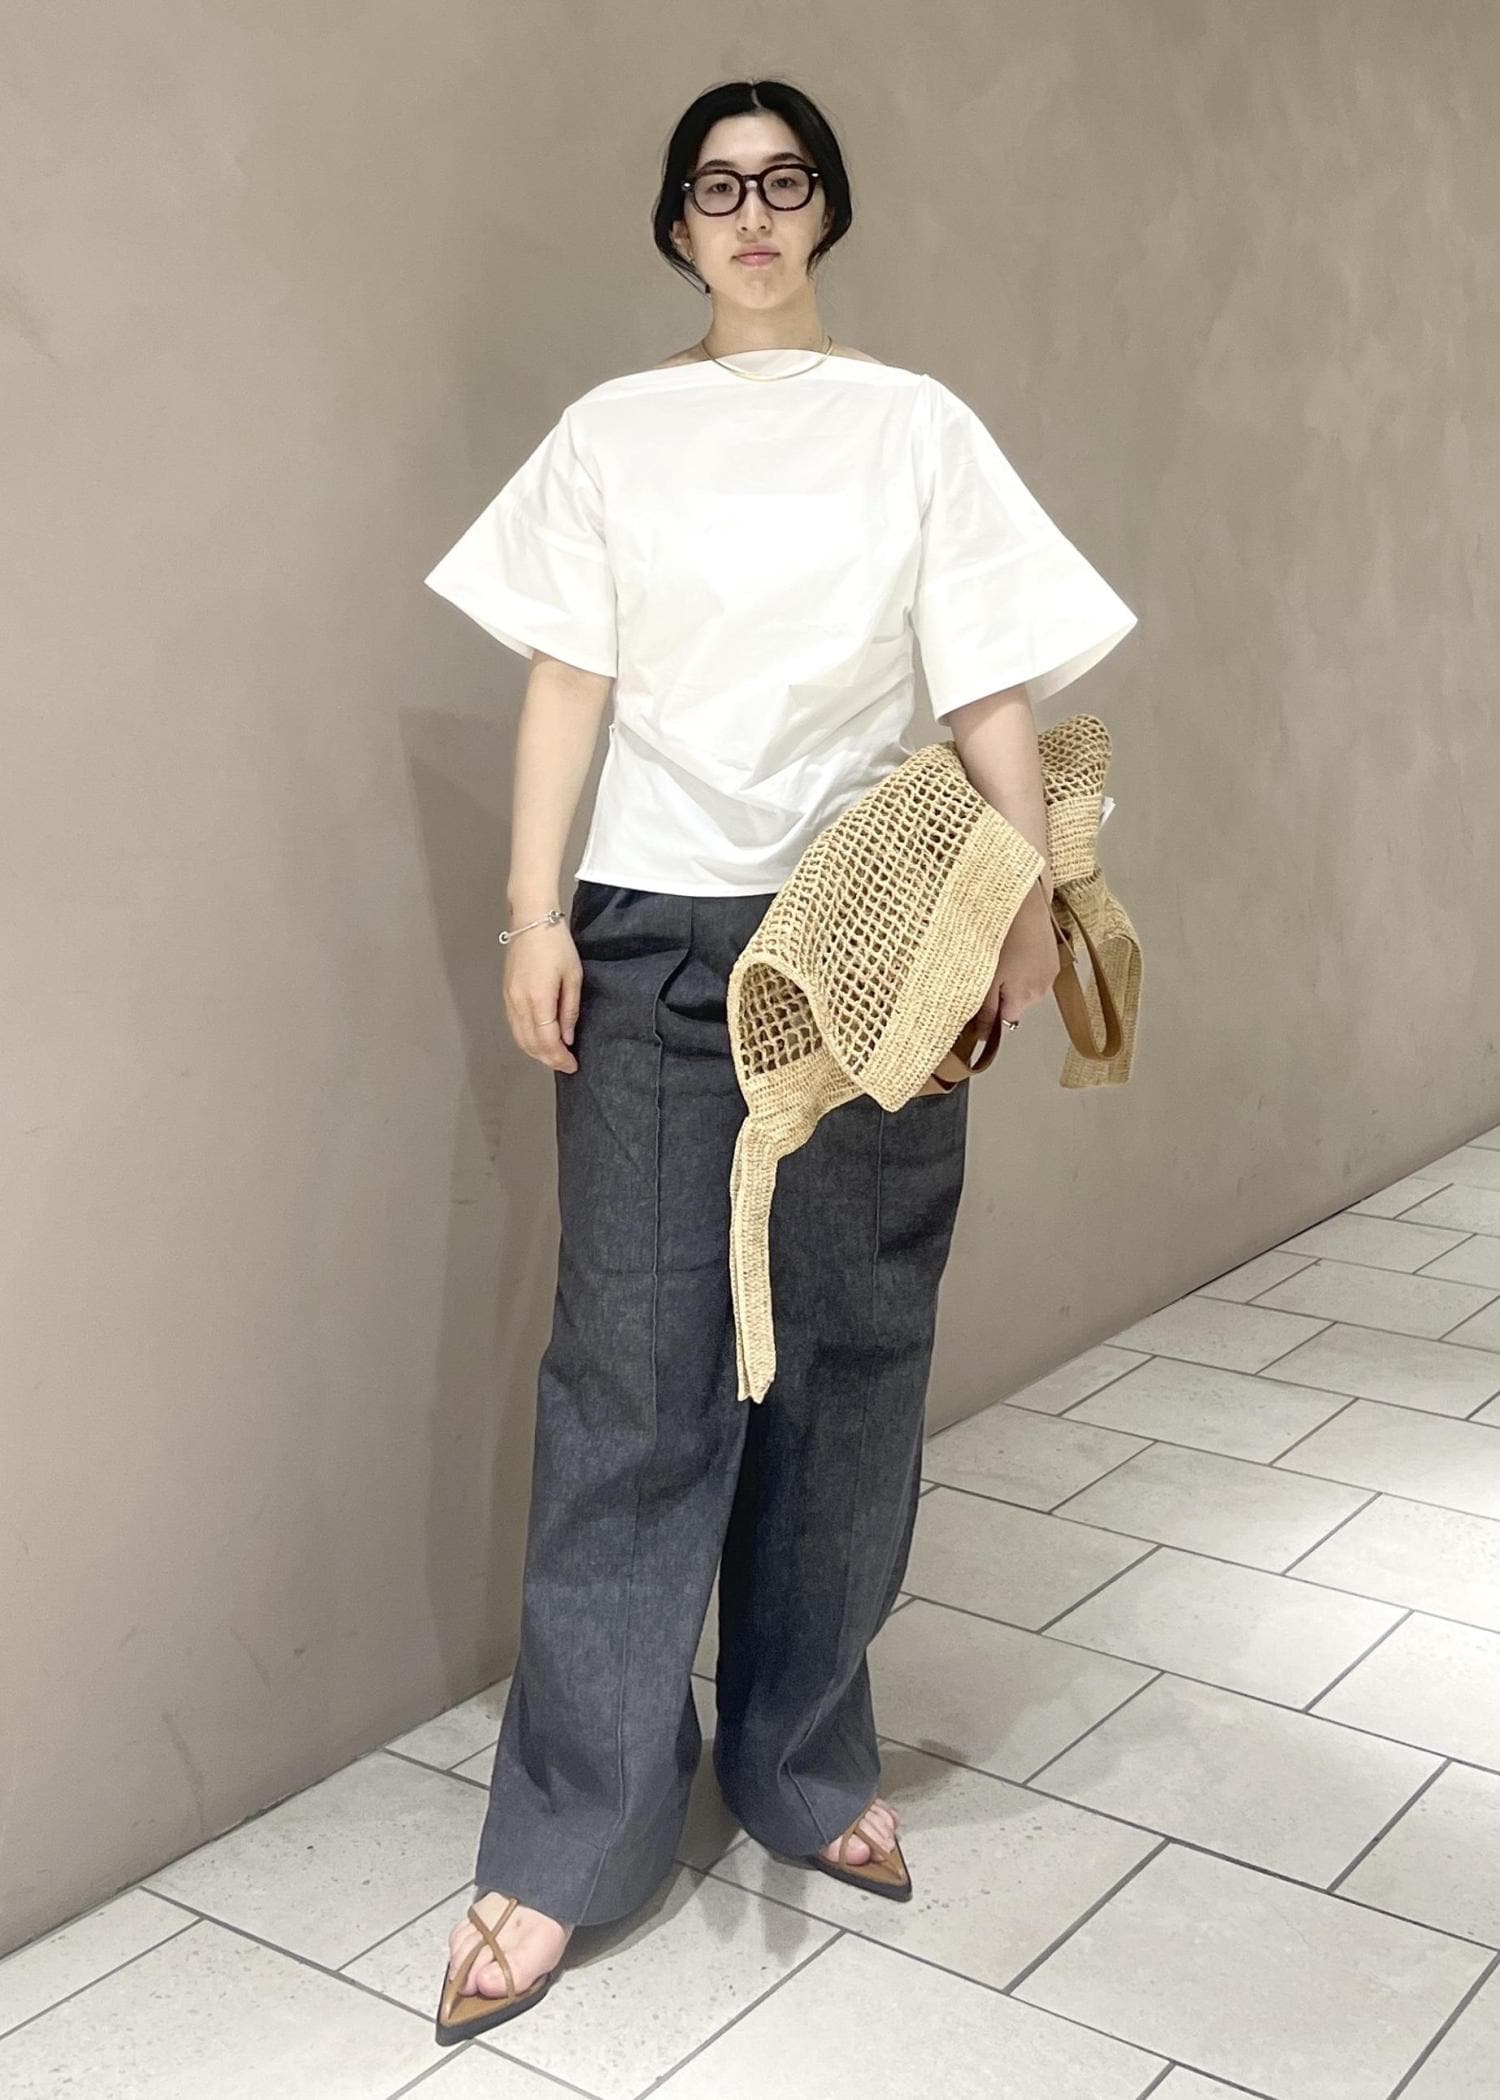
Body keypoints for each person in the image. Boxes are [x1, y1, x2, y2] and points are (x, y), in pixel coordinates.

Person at [424, 77, 1137, 2039]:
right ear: (676, 224)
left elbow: (985, 676)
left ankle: (805, 1761)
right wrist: (535, 912)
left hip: (876, 937)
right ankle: (574, 1834)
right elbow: (567, 678)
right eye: (717, 187)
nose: (752, 214)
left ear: (826, 211)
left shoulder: (915, 426)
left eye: (786, 182)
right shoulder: (611, 433)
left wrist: (1017, 900)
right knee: (634, 1377)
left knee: (851, 1356)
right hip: (653, 935)